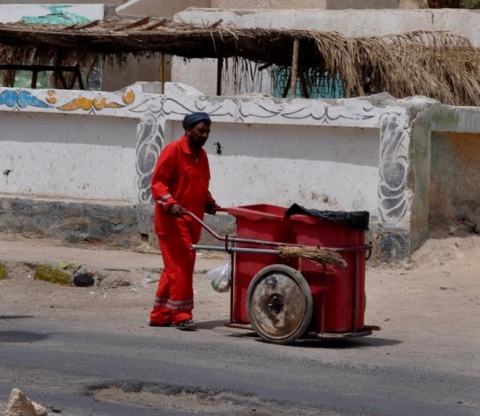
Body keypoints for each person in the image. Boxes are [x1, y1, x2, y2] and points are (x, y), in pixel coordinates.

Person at [149, 111, 219, 331]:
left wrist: (209, 201)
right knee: (182, 267)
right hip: (172, 221)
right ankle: (181, 314)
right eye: (201, 131)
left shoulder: (203, 156)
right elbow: (158, 184)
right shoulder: (173, 151)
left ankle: (160, 314)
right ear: (188, 130)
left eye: (207, 131)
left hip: (193, 219)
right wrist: (170, 203)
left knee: (175, 268)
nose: (205, 135)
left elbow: (200, 183)